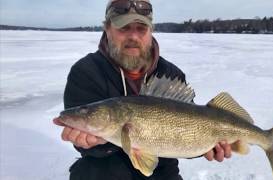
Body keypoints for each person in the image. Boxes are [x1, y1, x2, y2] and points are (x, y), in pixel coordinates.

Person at [54, 0, 233, 179]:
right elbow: (86, 148)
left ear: (151, 31)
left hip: (162, 170)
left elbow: (190, 127)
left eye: (141, 28)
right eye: (123, 28)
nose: (133, 36)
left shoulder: (170, 74)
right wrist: (97, 143)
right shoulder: (87, 71)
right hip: (104, 169)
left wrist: (206, 148)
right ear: (107, 29)